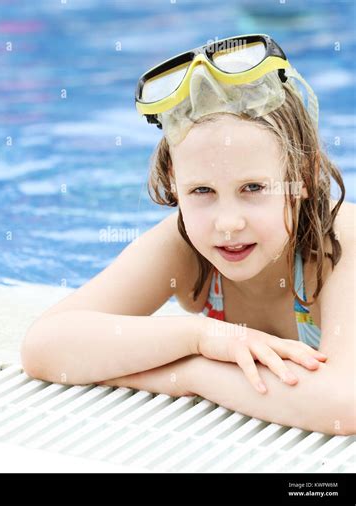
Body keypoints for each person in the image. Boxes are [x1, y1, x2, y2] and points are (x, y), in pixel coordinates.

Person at [21, 34, 355, 435]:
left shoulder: (341, 245)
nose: (227, 222)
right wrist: (201, 336)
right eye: (202, 191)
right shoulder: (183, 248)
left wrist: (195, 374)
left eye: (252, 188)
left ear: (300, 177)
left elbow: (344, 404)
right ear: (174, 184)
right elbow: (44, 346)